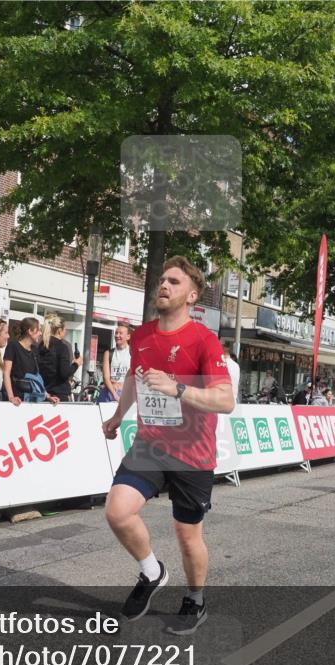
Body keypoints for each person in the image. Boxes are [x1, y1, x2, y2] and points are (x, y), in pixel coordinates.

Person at [101, 256, 233, 635]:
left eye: (174, 282)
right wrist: (118, 416)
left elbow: (225, 400)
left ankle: (195, 599)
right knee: (118, 511)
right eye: (162, 280)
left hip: (193, 454)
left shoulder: (204, 342)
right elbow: (132, 380)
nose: (164, 285)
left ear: (191, 295)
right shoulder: (141, 336)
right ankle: (152, 572)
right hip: (151, 444)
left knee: (187, 535)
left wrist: (176, 388)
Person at [3, 317, 59, 405]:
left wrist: (47, 396)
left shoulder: (35, 350)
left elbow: (36, 378)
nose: (41, 333)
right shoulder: (13, 346)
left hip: (32, 399)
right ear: (30, 331)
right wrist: (11, 397)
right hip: (17, 400)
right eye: (39, 330)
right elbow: (6, 373)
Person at [38, 314, 82, 401]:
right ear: (59, 330)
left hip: (44, 393)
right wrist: (76, 364)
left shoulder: (42, 346)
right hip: (59, 395)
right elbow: (64, 373)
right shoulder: (62, 347)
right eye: (65, 329)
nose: (65, 332)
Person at [100, 323, 133, 402]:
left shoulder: (133, 352)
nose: (117, 336)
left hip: (126, 392)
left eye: (120, 333)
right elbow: (106, 377)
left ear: (128, 336)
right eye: (116, 333)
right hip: (110, 392)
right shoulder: (108, 353)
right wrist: (114, 394)